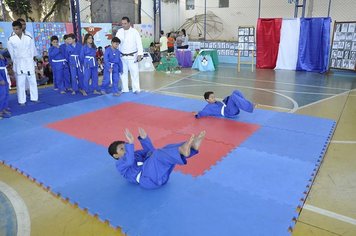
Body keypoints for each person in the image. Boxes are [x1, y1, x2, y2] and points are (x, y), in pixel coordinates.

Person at [108, 128, 206, 189]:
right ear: (116, 155)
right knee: (158, 155)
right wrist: (130, 143)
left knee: (165, 148)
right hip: (148, 180)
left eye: (126, 147)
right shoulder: (120, 164)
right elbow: (129, 161)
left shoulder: (135, 154)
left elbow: (151, 151)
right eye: (122, 149)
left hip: (161, 176)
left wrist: (144, 138)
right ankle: (183, 150)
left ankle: (192, 147)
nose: (126, 150)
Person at [7, 20, 38, 105]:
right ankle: (22, 101)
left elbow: (32, 50)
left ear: (21, 29)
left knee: (32, 81)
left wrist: (32, 61)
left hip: (28, 61)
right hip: (18, 62)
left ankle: (34, 98)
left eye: (17, 29)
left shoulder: (28, 37)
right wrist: (15, 62)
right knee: (20, 83)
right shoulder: (11, 39)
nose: (15, 31)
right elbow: (11, 53)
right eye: (14, 29)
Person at [115, 16, 143, 94]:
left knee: (134, 73)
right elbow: (116, 43)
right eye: (122, 24)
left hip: (132, 56)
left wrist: (140, 54)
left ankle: (136, 89)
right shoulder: (119, 31)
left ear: (129, 23)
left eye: (125, 23)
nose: (123, 25)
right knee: (123, 73)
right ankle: (125, 89)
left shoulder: (134, 32)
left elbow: (139, 44)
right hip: (122, 56)